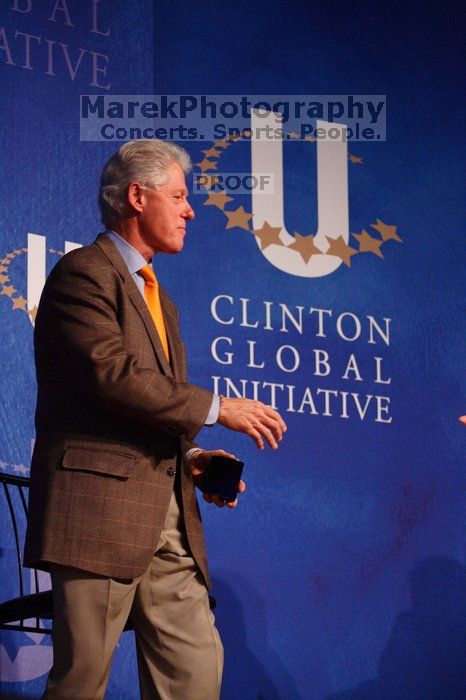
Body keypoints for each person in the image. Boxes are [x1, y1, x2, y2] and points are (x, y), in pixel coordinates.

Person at [23, 139, 286, 700]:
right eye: (180, 196)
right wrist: (218, 409)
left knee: (195, 676)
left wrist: (193, 455)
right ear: (138, 196)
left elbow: (149, 405)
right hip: (98, 515)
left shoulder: (160, 300)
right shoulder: (83, 273)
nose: (191, 210)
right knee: (81, 683)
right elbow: (109, 377)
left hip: (171, 524)